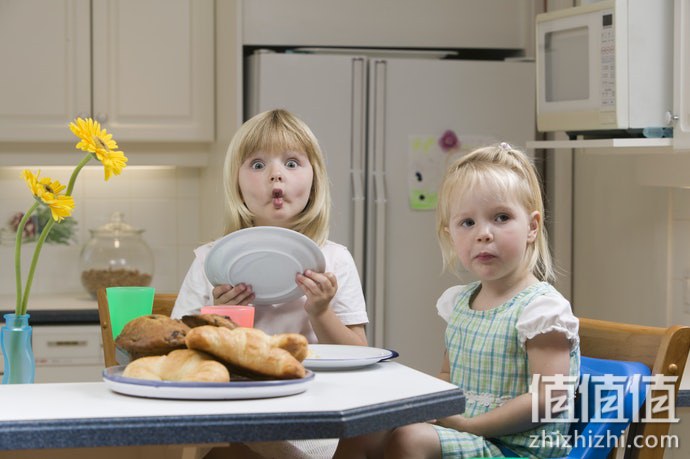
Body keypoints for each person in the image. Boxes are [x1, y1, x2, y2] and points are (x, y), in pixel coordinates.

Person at [334, 143, 580, 458]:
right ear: (451, 234)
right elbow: (450, 377)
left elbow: (550, 399)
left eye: (501, 217)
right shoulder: (460, 303)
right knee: (364, 427)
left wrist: (470, 426)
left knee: (410, 440)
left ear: (532, 227)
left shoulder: (542, 310)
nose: (484, 234)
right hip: (470, 435)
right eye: (468, 223)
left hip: (516, 449)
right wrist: (411, 404)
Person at [172, 108, 368, 346]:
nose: (276, 174)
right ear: (237, 184)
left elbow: (358, 351)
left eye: (292, 163)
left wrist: (321, 311)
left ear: (314, 181)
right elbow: (178, 345)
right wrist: (221, 317)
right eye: (257, 165)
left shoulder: (336, 261)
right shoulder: (209, 263)